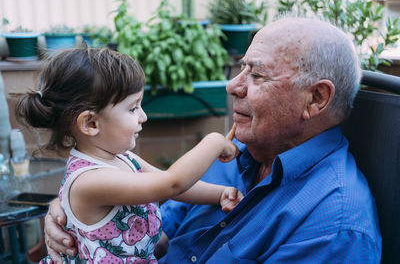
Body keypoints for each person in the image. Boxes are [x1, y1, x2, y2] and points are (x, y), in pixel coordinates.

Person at [44, 16, 382, 263]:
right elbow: (159, 212)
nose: (232, 86)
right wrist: (75, 220)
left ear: (316, 99)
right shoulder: (237, 154)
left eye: (258, 74)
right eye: (241, 68)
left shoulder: (332, 228)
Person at [15, 47, 244, 263]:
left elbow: (177, 186)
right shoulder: (89, 181)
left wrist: (220, 193)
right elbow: (172, 183)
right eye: (133, 108)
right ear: (91, 123)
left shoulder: (124, 157)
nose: (143, 116)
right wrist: (214, 142)